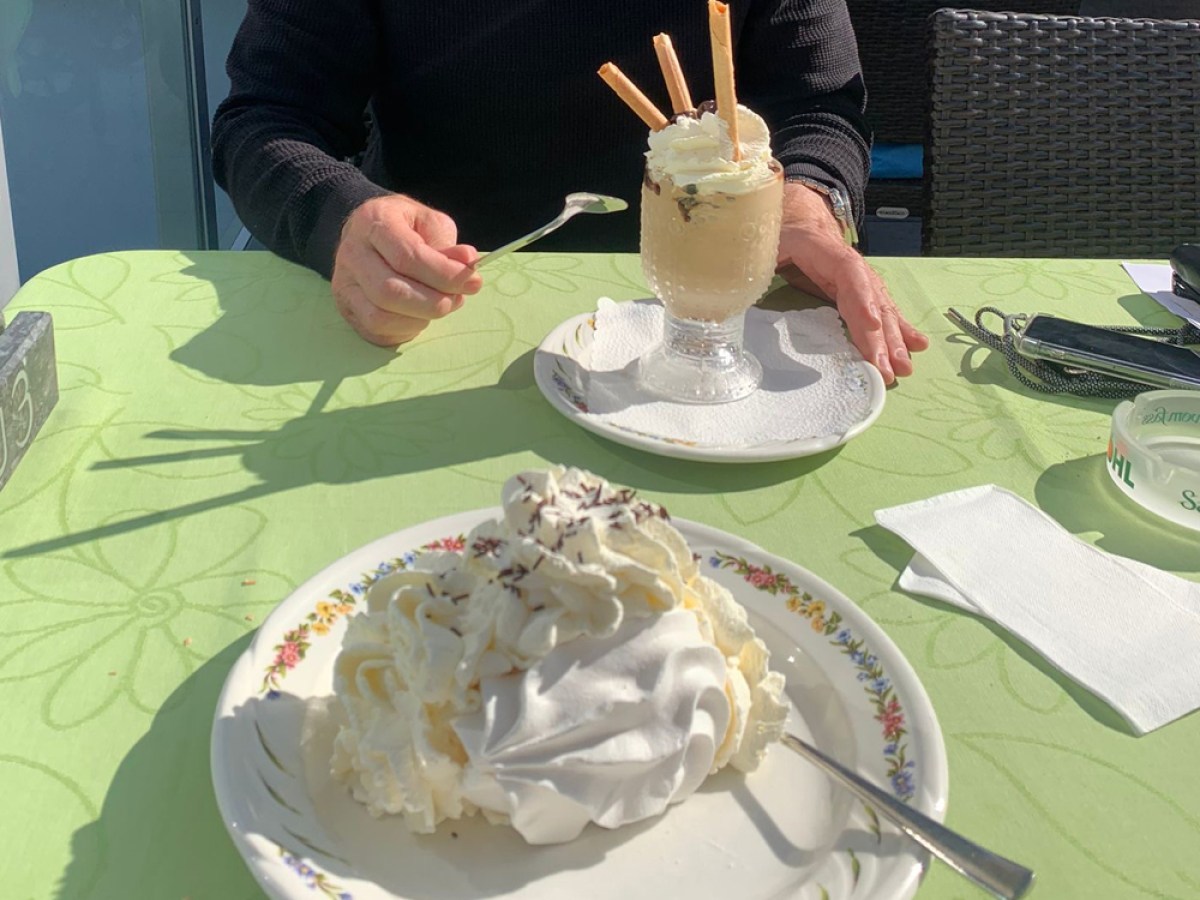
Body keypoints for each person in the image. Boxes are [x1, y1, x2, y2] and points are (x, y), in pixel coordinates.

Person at [212, 0, 927, 384]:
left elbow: (819, 104)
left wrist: (806, 200)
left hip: (721, 332)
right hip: (441, 319)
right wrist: (342, 218)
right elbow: (266, 116)